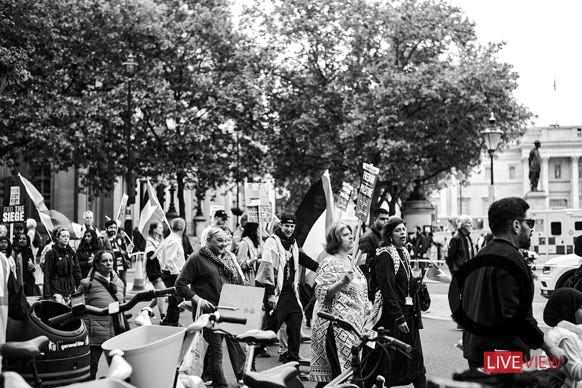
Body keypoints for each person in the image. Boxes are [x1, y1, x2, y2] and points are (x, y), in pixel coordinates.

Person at [461, 197, 564, 370]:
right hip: (503, 354)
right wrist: (550, 348)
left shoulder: (481, 255)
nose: (532, 228)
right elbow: (517, 316)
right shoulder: (511, 259)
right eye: (529, 222)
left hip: (477, 351)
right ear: (516, 225)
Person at [175, 227, 246, 388]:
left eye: (226, 241)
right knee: (217, 351)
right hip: (207, 313)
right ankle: (221, 384)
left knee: (220, 349)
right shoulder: (196, 258)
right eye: (219, 240)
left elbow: (237, 282)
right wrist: (197, 299)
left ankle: (211, 378)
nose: (224, 244)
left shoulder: (227, 258)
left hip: (227, 310)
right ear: (208, 241)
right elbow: (180, 284)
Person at [368, 217, 426, 388]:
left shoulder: (404, 252)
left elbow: (405, 284)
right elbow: (387, 289)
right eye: (397, 230)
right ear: (389, 235)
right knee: (387, 362)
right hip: (392, 318)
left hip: (410, 315)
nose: (402, 233)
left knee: (416, 359)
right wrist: (399, 317)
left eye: (403, 229)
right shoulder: (385, 255)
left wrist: (418, 283)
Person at [310, 222, 370, 385]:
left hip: (353, 327)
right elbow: (321, 293)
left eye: (351, 233)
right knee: (341, 377)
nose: (351, 236)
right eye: (345, 234)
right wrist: (342, 281)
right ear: (335, 240)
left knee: (337, 379)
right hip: (336, 326)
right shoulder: (330, 262)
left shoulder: (351, 261)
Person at [256, 213, 319, 363]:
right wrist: (270, 294)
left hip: (291, 293)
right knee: (270, 332)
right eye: (287, 226)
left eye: (292, 226)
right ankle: (251, 356)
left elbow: (302, 258)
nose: (289, 229)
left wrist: (320, 267)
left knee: (295, 327)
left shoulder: (293, 243)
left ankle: (292, 360)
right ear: (280, 226)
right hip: (277, 294)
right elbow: (267, 269)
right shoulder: (273, 242)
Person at [77, 250, 125, 379]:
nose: (108, 263)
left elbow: (122, 305)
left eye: (110, 260)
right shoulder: (87, 283)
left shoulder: (119, 283)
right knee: (92, 367)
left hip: (115, 331)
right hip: (95, 333)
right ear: (97, 265)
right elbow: (76, 306)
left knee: (119, 368)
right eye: (104, 261)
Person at [543, 288, 582, 388]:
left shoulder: (570, 330)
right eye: (581, 308)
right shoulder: (565, 337)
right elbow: (576, 372)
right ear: (567, 309)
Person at [156, 217, 186, 326]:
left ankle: (168, 320)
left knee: (174, 299)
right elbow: (170, 260)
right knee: (176, 300)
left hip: (168, 272)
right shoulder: (174, 241)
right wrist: (177, 274)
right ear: (182, 228)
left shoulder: (169, 239)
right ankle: (172, 322)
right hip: (172, 274)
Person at [43, 228, 82, 299]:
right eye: (63, 236)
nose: (66, 238)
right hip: (56, 288)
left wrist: (80, 290)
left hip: (70, 288)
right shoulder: (51, 253)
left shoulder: (71, 253)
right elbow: (47, 274)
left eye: (68, 237)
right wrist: (47, 295)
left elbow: (77, 272)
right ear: (58, 238)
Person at [100, 220, 132, 293]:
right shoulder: (103, 240)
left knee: (123, 282)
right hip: (110, 265)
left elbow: (125, 250)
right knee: (112, 283)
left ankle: (123, 300)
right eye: (111, 227)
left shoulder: (119, 238)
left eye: (115, 227)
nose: (113, 229)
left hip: (121, 264)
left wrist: (127, 251)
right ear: (106, 228)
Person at [358, 208, 389, 281]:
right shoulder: (367, 237)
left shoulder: (386, 236)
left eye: (387, 219)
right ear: (375, 219)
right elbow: (363, 263)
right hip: (373, 279)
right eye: (382, 219)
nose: (385, 221)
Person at [145, 221, 165, 320]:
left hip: (160, 269)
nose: (162, 229)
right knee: (162, 293)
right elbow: (151, 257)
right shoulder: (150, 241)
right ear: (154, 229)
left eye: (162, 227)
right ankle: (163, 317)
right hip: (153, 270)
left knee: (159, 293)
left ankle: (146, 310)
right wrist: (160, 247)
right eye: (160, 228)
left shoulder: (160, 240)